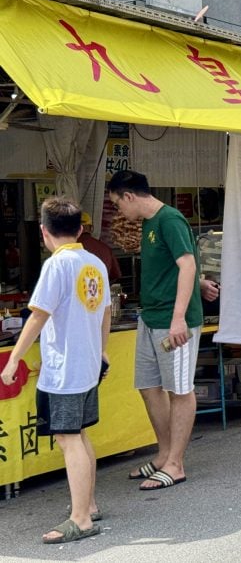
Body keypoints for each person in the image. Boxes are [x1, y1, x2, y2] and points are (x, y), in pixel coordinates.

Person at [1, 198, 110, 544]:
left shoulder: (56, 265)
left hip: (64, 368)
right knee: (79, 434)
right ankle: (88, 505)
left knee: (69, 438)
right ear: (80, 229)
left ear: (44, 232)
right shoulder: (95, 262)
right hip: (88, 362)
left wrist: (14, 358)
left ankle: (80, 518)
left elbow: (38, 315)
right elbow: (106, 312)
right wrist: (102, 351)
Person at [107, 170, 218, 491]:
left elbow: (188, 263)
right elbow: (178, 268)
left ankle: (176, 464)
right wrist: (198, 286)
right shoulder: (150, 224)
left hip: (173, 322)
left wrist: (180, 317)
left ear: (129, 196)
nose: (120, 212)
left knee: (179, 389)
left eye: (118, 204)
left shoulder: (169, 220)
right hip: (151, 317)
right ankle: (164, 453)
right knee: (148, 385)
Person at [78, 212, 122, 283]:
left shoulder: (69, 249)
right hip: (101, 291)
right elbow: (116, 274)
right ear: (91, 228)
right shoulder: (105, 248)